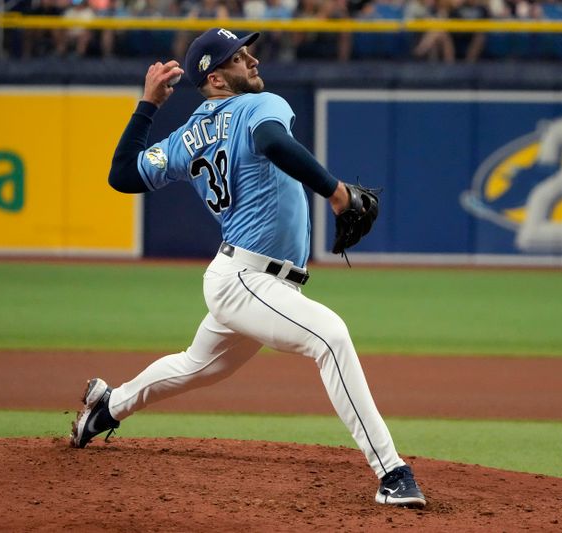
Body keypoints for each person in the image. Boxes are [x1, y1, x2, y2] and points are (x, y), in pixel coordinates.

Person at [70, 27, 427, 509]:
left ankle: (106, 407)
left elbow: (122, 175)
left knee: (195, 367)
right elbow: (273, 141)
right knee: (331, 337)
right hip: (247, 279)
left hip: (242, 278)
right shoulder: (258, 106)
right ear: (217, 78)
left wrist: (148, 105)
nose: (253, 61)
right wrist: (336, 192)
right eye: (239, 58)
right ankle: (391, 472)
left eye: (247, 52)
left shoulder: (184, 137)